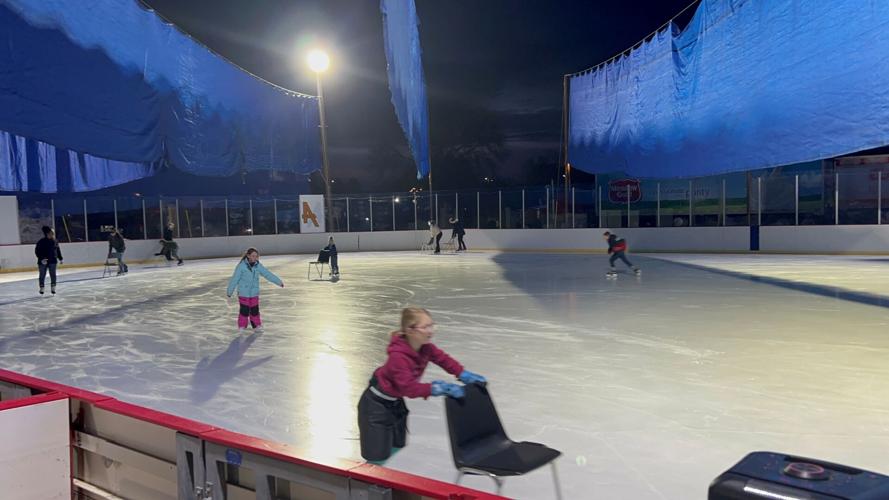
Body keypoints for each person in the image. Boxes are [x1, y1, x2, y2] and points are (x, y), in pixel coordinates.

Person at [357, 307, 487, 464]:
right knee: (377, 457)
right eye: (425, 327)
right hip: (375, 407)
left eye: (432, 325)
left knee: (397, 446)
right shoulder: (398, 357)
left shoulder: (426, 348)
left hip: (395, 404)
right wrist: (436, 388)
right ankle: (372, 485)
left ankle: (387, 479)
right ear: (410, 330)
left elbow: (444, 359)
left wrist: (462, 374)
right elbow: (408, 388)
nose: (430, 331)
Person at [226, 247, 284, 334]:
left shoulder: (258, 266)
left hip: (254, 293)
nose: (255, 258)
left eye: (256, 256)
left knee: (255, 310)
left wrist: (278, 282)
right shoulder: (241, 266)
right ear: (248, 256)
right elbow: (235, 279)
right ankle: (242, 326)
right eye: (253, 256)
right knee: (244, 311)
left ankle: (256, 325)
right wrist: (229, 291)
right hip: (243, 293)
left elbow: (267, 274)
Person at [34, 225, 63, 295]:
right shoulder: (41, 242)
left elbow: (57, 250)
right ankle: (42, 287)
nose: (53, 234)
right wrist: (41, 259)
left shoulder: (55, 241)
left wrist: (60, 258)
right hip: (42, 261)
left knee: (53, 275)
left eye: (53, 233)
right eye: (51, 233)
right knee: (42, 275)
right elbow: (37, 251)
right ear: (47, 233)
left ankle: (53, 287)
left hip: (52, 261)